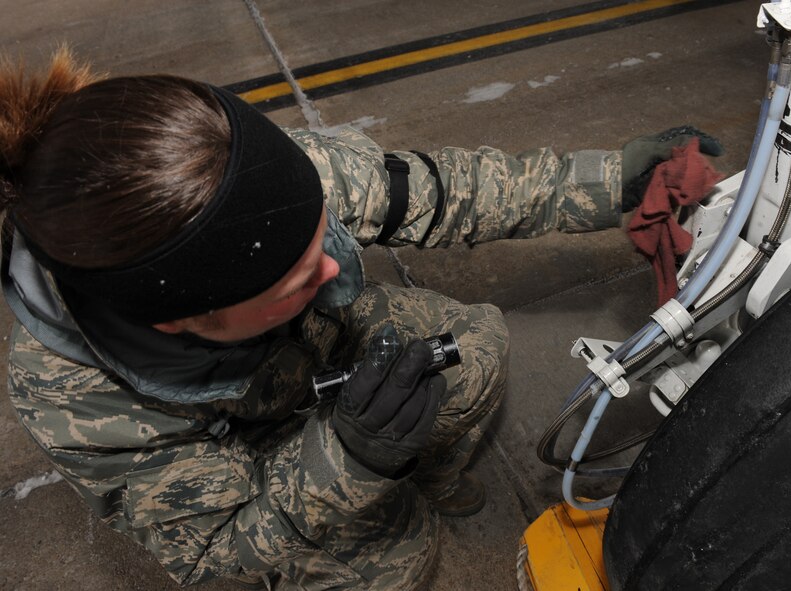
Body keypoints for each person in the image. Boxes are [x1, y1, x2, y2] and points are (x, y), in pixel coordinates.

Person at [0, 49, 721, 590]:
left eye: (324, 237)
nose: (337, 270)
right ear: (181, 323)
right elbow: (213, 544)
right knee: (400, 559)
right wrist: (349, 460)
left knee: (477, 342)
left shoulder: (270, 178)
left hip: (305, 357)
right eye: (298, 275)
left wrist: (610, 181)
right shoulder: (76, 400)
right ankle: (391, 475)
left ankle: (423, 461)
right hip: (250, 462)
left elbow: (448, 191)